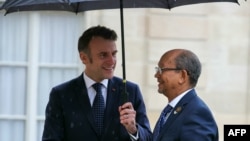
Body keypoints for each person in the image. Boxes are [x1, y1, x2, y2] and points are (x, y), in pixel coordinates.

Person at [42, 25, 152, 141]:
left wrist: (133, 130)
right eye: (103, 55)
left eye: (114, 54)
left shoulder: (130, 91)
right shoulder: (61, 95)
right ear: (84, 58)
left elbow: (149, 138)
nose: (112, 61)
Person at [152, 49, 219, 141]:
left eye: (161, 70)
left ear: (182, 76)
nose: (156, 75)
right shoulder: (173, 110)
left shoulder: (197, 113)